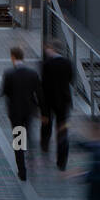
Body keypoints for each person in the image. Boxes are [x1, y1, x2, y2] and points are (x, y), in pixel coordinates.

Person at [0, 46, 40, 181]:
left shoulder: (9, 73)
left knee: (18, 140)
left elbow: (4, 91)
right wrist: (41, 111)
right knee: (28, 132)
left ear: (13, 57)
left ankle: (22, 170)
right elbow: (39, 93)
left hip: (15, 112)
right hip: (29, 110)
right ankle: (31, 154)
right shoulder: (32, 73)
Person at [39, 41, 73, 171]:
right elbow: (70, 79)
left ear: (52, 49)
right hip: (64, 102)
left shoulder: (46, 64)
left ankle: (45, 144)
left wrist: (41, 104)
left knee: (46, 124)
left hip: (48, 101)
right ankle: (62, 161)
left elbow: (43, 84)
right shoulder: (68, 63)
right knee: (63, 130)